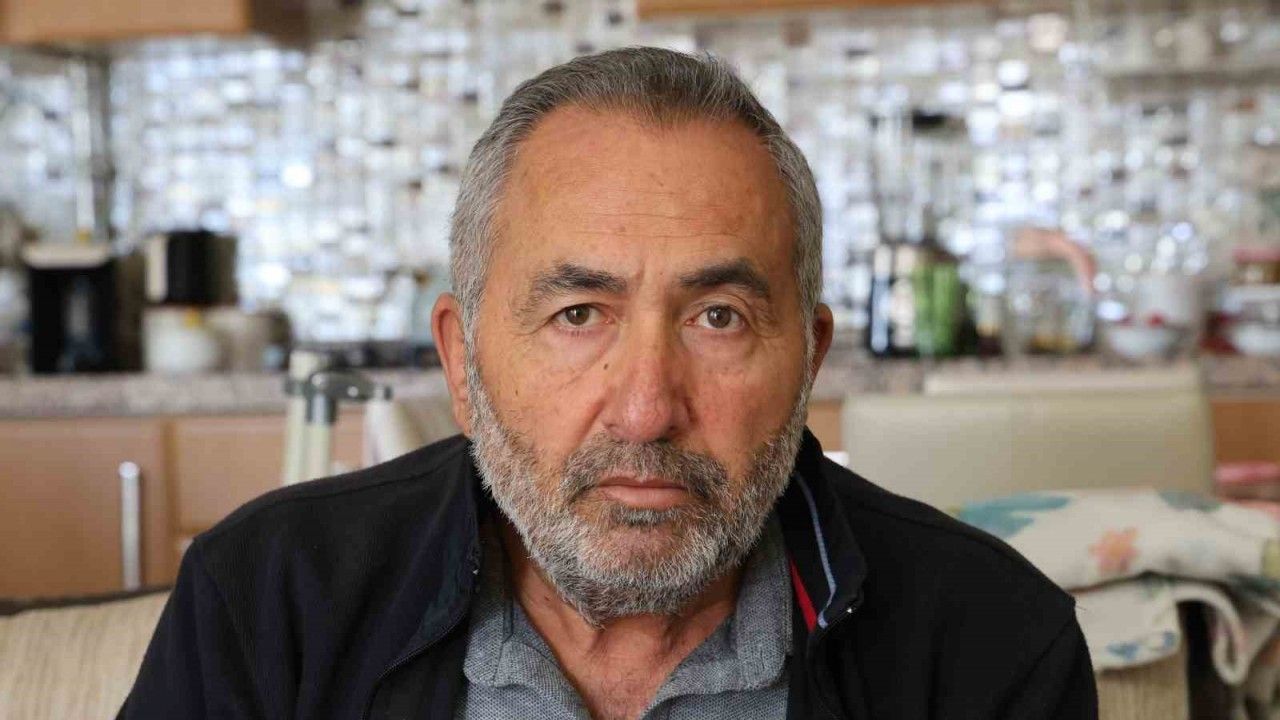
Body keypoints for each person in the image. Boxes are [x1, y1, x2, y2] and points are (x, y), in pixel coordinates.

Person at [120, 47, 1097, 720]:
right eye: (578, 314)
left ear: (808, 358)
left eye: (718, 317)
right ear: (461, 362)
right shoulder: (268, 600)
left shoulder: (991, 641)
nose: (645, 410)